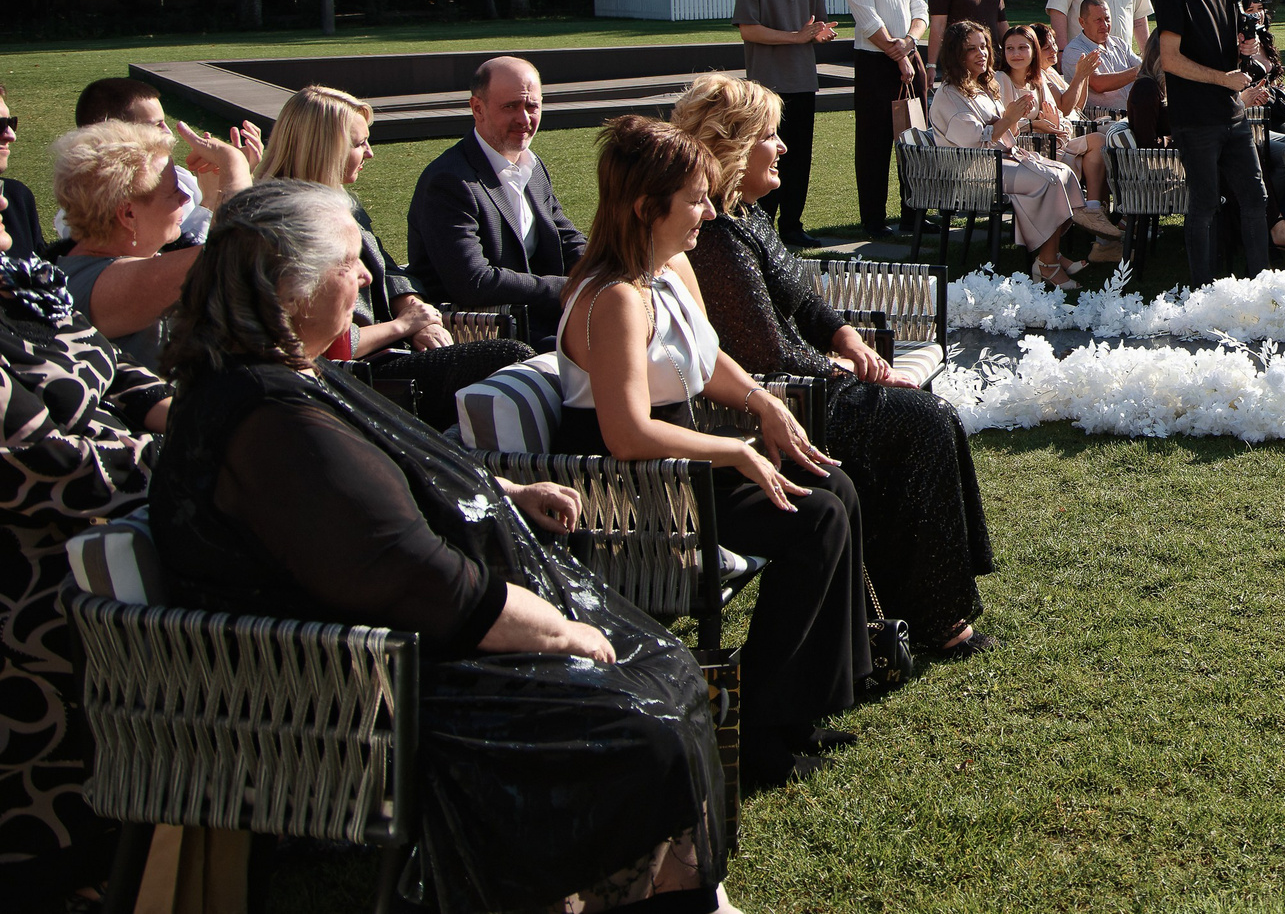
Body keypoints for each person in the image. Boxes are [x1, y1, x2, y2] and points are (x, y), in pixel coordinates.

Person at [150, 181, 731, 911]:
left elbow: (397, 474)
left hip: (407, 644)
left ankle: (677, 891)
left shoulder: (289, 375)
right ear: (287, 282)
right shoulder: (269, 422)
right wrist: (554, 627)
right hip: (362, 688)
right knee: (633, 722)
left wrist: (507, 495)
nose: (366, 276)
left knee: (661, 669)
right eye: (349, 263)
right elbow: (401, 571)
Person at [558, 116, 868, 793]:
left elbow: (704, 357)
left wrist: (762, 403)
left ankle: (804, 705)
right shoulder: (613, 297)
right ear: (647, 207)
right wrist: (735, 451)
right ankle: (754, 727)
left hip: (681, 468)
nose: (708, 209)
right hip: (638, 493)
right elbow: (626, 432)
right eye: (695, 198)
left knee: (833, 488)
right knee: (813, 521)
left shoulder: (662, 270)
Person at [670, 74, 998, 659]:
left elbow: (802, 295)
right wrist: (850, 374)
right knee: (922, 422)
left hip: (807, 381)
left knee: (929, 418)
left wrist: (843, 333)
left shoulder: (745, 215)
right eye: (772, 136)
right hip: (780, 406)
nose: (784, 148)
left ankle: (928, 606)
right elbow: (767, 354)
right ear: (734, 146)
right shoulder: (716, 240)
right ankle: (935, 620)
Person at [0, 199, 167, 904]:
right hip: (32, 569)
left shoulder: (23, 285)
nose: (5, 194)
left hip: (111, 521)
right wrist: (179, 460)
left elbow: (119, 373)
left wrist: (196, 419)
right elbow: (38, 461)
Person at [257, 83, 532, 429]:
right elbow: (327, 344)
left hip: (390, 352)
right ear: (325, 148)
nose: (370, 153)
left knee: (516, 362)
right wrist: (403, 326)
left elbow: (388, 269)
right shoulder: (289, 222)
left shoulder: (341, 200)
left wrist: (416, 312)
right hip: (354, 380)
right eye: (359, 144)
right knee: (510, 358)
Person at [406, 56, 588, 344]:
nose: (524, 119)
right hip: (484, 335)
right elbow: (473, 283)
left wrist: (608, 267)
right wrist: (567, 289)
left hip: (537, 319)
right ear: (477, 108)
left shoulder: (531, 164)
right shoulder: (449, 181)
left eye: (532, 106)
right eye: (511, 107)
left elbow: (565, 236)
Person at [929, 21, 1115, 291]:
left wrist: (1013, 121)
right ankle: (1047, 264)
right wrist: (1010, 118)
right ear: (956, 54)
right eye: (971, 49)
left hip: (1000, 161)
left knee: (1062, 172)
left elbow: (1006, 133)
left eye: (983, 46)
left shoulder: (980, 87)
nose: (981, 53)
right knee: (1050, 179)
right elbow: (972, 139)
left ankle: (1049, 254)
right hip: (976, 171)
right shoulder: (949, 94)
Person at [55, 118, 252, 369]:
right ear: (128, 214)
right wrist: (234, 163)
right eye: (173, 191)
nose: (185, 197)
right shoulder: (94, 284)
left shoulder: (104, 264)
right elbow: (232, 251)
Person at [1155, 0, 1272, 286]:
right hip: (1195, 118)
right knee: (1204, 204)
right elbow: (1170, 60)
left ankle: (1263, 285)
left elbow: (1233, 53)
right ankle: (1201, 290)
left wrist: (1245, 48)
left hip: (1233, 116)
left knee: (1255, 197)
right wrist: (1223, 79)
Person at [733, 0, 838, 248]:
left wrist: (820, 34)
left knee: (798, 159)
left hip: (803, 81)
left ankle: (792, 226)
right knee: (765, 158)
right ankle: (761, 229)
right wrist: (797, 36)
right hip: (766, 88)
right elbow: (749, 30)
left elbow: (816, 27)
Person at [63, 78, 258, 245]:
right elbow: (182, 263)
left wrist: (241, 176)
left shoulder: (182, 179)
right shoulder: (85, 216)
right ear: (115, 134)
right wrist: (211, 200)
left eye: (165, 122)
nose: (168, 132)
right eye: (156, 125)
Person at [840, 0, 931, 240]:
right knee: (874, 144)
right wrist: (899, 56)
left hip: (908, 55)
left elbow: (920, 11)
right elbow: (869, 23)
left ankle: (914, 215)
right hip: (876, 64)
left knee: (915, 139)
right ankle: (874, 221)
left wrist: (909, 43)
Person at [1000, 22, 1110, 224]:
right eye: (1010, 48)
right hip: (1030, 148)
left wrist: (1082, 77)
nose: (1016, 54)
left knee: (1102, 141)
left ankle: (1095, 211)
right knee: (1097, 148)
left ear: (1032, 51)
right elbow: (1003, 122)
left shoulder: (1037, 77)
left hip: (1052, 139)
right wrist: (1035, 125)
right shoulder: (1002, 80)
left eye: (1022, 48)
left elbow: (1063, 112)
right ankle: (1093, 216)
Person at [1060, 0, 1144, 114]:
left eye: (1107, 19)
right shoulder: (1075, 50)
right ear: (1082, 22)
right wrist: (1142, 70)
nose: (1104, 25)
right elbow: (1098, 84)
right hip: (1102, 120)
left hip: (1134, 112)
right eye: (1098, 20)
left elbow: (1144, 68)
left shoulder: (1119, 43)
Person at [0, 85, 42, 255]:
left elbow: (43, 266)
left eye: (11, 123)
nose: (11, 136)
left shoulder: (17, 198)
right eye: (0, 125)